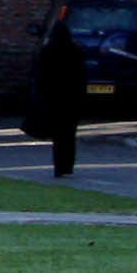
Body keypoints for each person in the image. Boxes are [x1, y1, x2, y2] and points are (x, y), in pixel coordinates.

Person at [23, 10, 86, 177]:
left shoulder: (47, 51)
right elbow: (81, 77)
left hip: (53, 100)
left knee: (57, 136)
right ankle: (68, 166)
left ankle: (59, 167)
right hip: (71, 100)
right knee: (69, 135)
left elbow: (40, 76)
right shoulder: (76, 51)